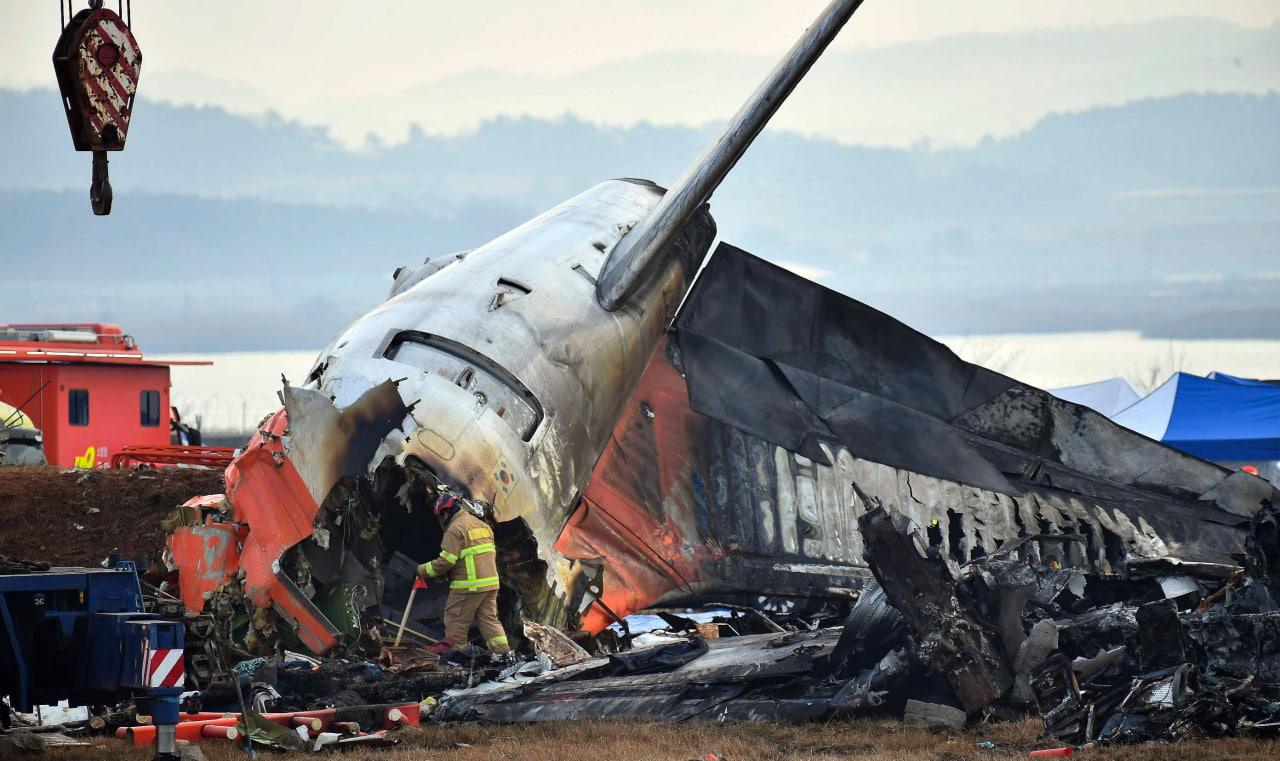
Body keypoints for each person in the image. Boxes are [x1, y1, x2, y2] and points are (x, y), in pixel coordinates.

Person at [417, 493, 510, 654]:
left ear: (445, 513)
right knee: (489, 621)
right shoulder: (482, 525)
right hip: (490, 584)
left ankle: (458, 657)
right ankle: (504, 654)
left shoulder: (454, 529)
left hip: (469, 586)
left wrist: (423, 570)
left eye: (441, 516)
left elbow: (446, 561)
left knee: (455, 621)